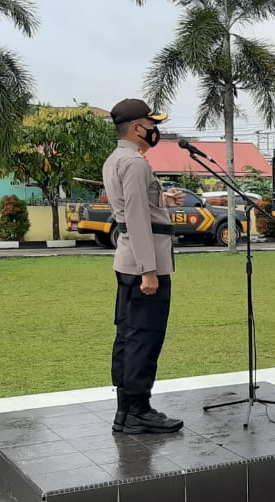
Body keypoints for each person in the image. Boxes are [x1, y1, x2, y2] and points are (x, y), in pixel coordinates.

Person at [104, 98, 184, 435]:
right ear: (138, 128)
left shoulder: (117, 159)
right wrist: (148, 270)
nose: (155, 131)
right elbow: (136, 217)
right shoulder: (135, 164)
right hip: (143, 265)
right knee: (144, 339)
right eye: (152, 125)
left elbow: (134, 206)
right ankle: (138, 410)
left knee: (129, 336)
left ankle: (127, 410)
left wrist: (163, 200)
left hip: (129, 260)